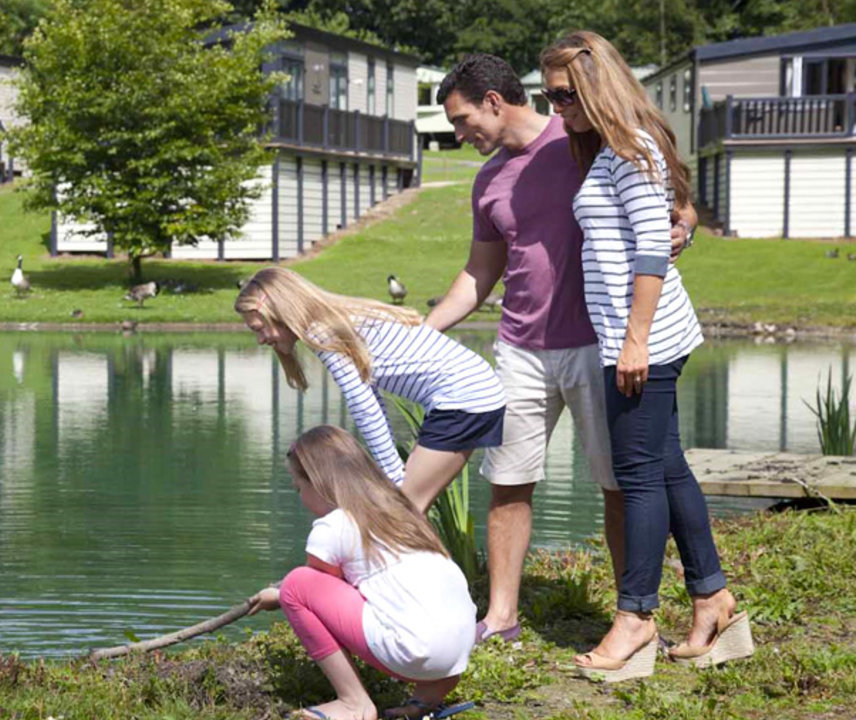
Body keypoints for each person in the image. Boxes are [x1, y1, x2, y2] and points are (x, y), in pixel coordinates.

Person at [426, 53, 696, 644]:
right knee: (508, 481)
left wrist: (686, 223)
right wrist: (427, 329)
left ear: (495, 102)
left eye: (463, 118)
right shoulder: (488, 182)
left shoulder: (580, 135)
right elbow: (478, 274)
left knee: (621, 484)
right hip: (520, 348)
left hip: (601, 343)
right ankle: (501, 617)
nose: (458, 132)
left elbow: (668, 198)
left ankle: (632, 614)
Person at [540, 31, 753, 681]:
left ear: (596, 84)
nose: (556, 108)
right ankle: (713, 600)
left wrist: (634, 339)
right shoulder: (615, 148)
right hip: (635, 337)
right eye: (545, 95)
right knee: (665, 468)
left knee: (638, 475)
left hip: (644, 341)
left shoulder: (631, 147)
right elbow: (665, 224)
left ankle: (635, 618)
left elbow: (651, 253)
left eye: (563, 94)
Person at [248, 425, 476, 720]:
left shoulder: (333, 526)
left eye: (298, 488)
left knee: (296, 584)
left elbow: (317, 586)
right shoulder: (402, 513)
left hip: (412, 653)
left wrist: (279, 596)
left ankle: (353, 703)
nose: (301, 497)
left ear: (318, 483)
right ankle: (423, 702)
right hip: (458, 651)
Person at [235, 267, 506, 512]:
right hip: (474, 393)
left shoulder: (322, 332)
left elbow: (362, 403)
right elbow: (370, 392)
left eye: (259, 329)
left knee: (402, 510)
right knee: (405, 508)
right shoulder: (333, 321)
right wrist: (392, 473)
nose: (260, 340)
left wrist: (392, 474)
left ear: (281, 313)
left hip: (463, 398)